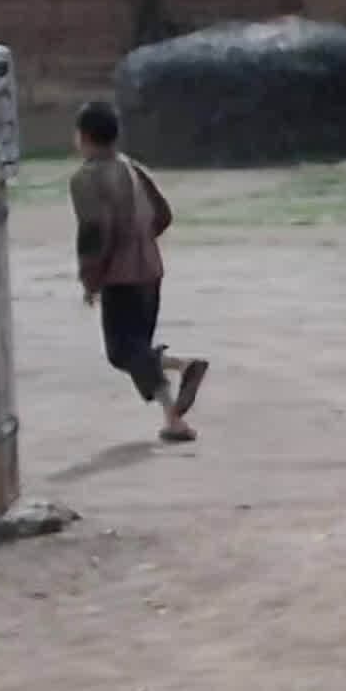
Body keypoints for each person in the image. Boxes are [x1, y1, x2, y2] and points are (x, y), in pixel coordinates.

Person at [69, 99, 209, 443]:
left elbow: (95, 233)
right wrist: (141, 241)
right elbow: (163, 214)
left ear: (84, 136)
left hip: (121, 276)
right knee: (138, 350)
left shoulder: (86, 178)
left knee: (122, 352)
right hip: (150, 269)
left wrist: (91, 278)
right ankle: (174, 420)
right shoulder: (132, 167)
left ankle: (183, 365)